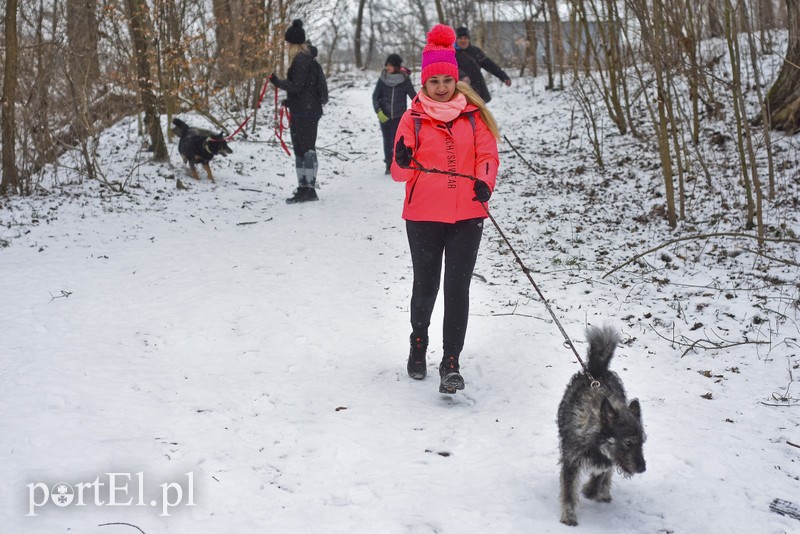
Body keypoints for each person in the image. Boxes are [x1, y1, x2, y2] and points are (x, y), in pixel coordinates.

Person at [391, 24, 500, 395]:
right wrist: (404, 158)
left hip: (468, 213)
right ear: (424, 82)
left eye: (446, 80)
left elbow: (487, 155)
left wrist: (485, 181)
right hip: (423, 214)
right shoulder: (413, 117)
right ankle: (418, 342)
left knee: (458, 288)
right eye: (433, 80)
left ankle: (451, 362)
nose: (440, 86)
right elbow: (398, 172)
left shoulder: (474, 115)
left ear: (456, 79)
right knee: (426, 286)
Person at [270, 19, 328, 204]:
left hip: (307, 112)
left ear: (293, 43)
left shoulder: (302, 59)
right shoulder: (303, 59)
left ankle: (309, 189)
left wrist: (277, 82)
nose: (287, 46)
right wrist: (290, 101)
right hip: (303, 109)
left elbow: (297, 85)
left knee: (307, 150)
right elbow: (303, 89)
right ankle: (303, 187)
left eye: (288, 43)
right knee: (301, 150)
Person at [372, 54, 416, 174]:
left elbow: (413, 95)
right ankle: (388, 164)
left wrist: (421, 106)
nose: (387, 67)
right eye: (387, 65)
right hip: (384, 116)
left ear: (396, 66)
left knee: (397, 141)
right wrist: (378, 111)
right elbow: (376, 96)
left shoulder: (404, 80)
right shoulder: (382, 79)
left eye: (390, 65)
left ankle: (398, 163)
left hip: (399, 116)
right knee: (387, 140)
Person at [454, 26, 511, 104]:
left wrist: (504, 77)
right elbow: (451, 69)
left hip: (478, 90)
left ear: (469, 39)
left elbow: (490, 65)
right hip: (460, 91)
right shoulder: (452, 53)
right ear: (456, 39)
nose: (463, 40)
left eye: (465, 38)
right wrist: (462, 76)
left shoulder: (475, 51)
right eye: (460, 38)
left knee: (480, 114)